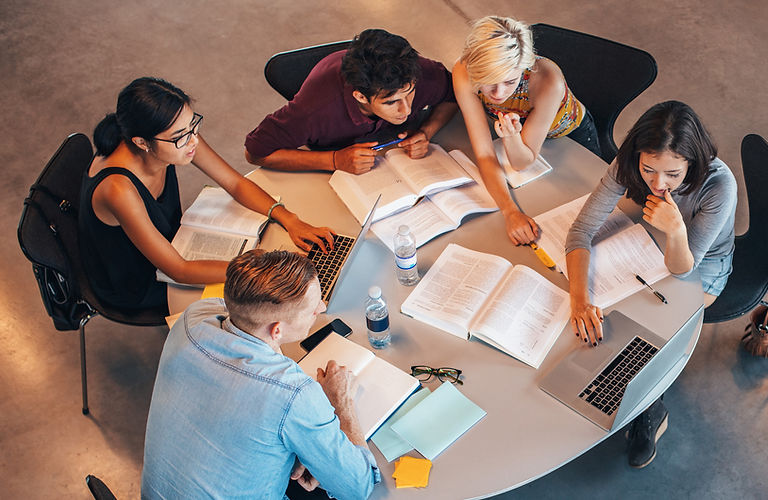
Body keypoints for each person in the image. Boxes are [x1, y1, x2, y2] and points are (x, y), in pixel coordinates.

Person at [565, 101, 737, 468]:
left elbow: (683, 269)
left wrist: (675, 229)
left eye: (673, 174)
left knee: (649, 327)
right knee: (604, 311)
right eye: (649, 170)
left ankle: (648, 406)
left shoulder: (718, 185)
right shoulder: (627, 165)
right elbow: (580, 231)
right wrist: (579, 299)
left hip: (701, 266)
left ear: (693, 162)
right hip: (645, 244)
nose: (658, 184)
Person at [80, 77, 335, 314]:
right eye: (181, 137)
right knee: (260, 304)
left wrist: (289, 219)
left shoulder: (176, 135)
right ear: (142, 142)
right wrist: (261, 267)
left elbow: (234, 183)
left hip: (172, 242)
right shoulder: (118, 189)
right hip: (139, 279)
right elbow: (177, 270)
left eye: (193, 126)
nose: (193, 141)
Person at [141, 249, 380, 499]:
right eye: (313, 308)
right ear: (276, 331)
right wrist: (341, 405)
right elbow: (358, 487)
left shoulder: (195, 316)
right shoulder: (293, 395)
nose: (321, 307)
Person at [453, 16, 601, 245]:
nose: (498, 94)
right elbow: (484, 153)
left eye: (510, 82)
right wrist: (509, 211)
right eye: (489, 82)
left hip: (570, 136)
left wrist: (511, 138)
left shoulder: (548, 80)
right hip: (517, 133)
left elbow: (522, 162)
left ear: (524, 66)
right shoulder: (464, 71)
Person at [244, 29, 458, 174]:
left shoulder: (415, 72)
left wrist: (426, 132)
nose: (407, 109)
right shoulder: (315, 109)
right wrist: (334, 160)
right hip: (339, 164)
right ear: (361, 97)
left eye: (410, 93)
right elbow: (255, 152)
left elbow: (453, 96)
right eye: (391, 102)